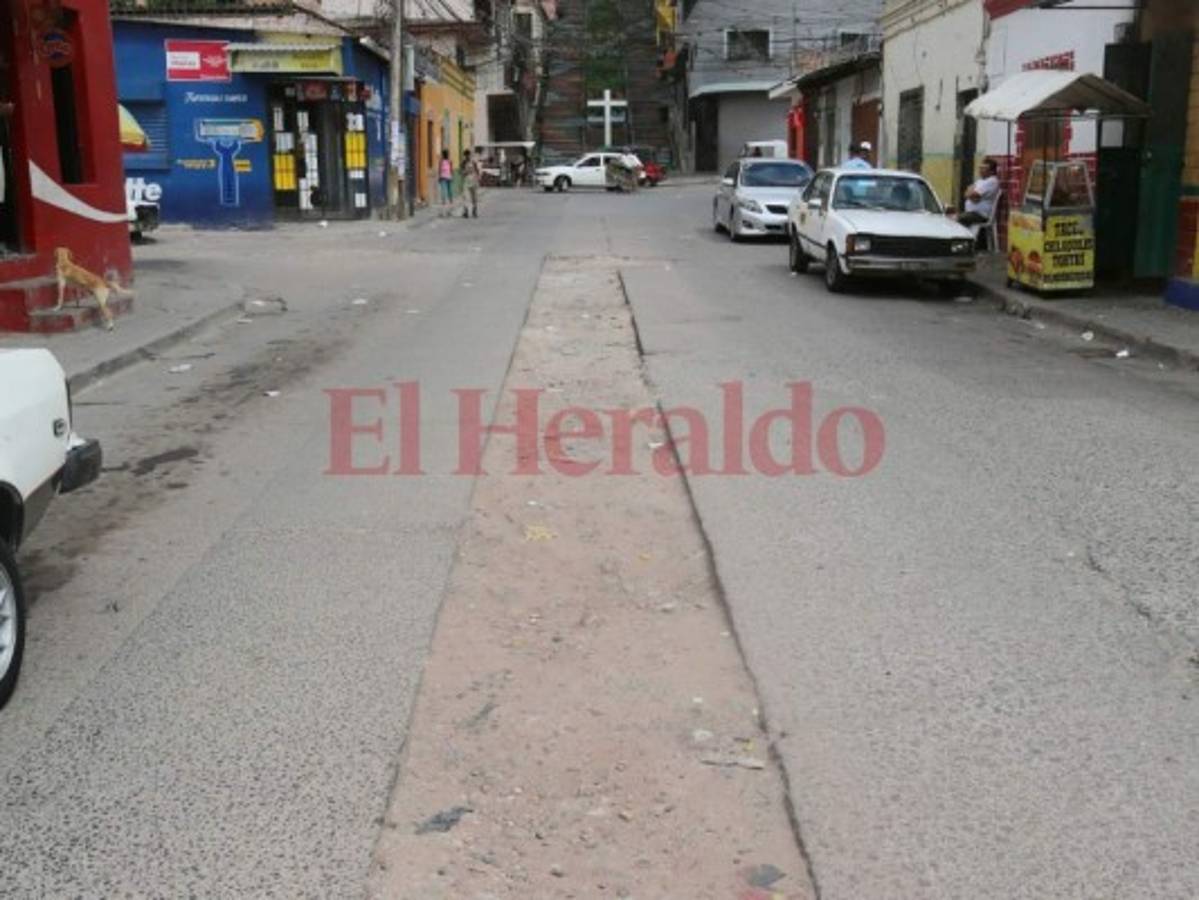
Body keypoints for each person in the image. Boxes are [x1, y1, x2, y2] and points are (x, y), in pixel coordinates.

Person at [958, 158, 1000, 225]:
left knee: (958, 219)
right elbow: (966, 194)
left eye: (984, 168)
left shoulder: (992, 181)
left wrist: (971, 194)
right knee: (951, 217)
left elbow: (973, 195)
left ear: (992, 171)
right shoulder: (980, 181)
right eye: (980, 167)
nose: (980, 170)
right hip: (971, 213)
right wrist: (971, 195)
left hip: (980, 214)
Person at [461, 149, 481, 218]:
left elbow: (477, 171)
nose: (467, 157)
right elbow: (461, 172)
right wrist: (465, 172)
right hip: (466, 181)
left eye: (468, 155)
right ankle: (466, 211)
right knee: (465, 196)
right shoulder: (463, 163)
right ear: (465, 156)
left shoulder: (473, 162)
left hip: (473, 181)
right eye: (466, 155)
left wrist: (478, 178)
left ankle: (474, 211)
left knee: (474, 197)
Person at [437, 148, 453, 217]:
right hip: (446, 178)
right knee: (447, 194)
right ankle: (447, 211)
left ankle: (446, 211)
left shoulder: (447, 161)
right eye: (446, 154)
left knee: (446, 194)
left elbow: (440, 170)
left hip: (445, 178)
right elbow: (450, 170)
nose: (446, 155)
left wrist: (439, 177)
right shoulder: (446, 161)